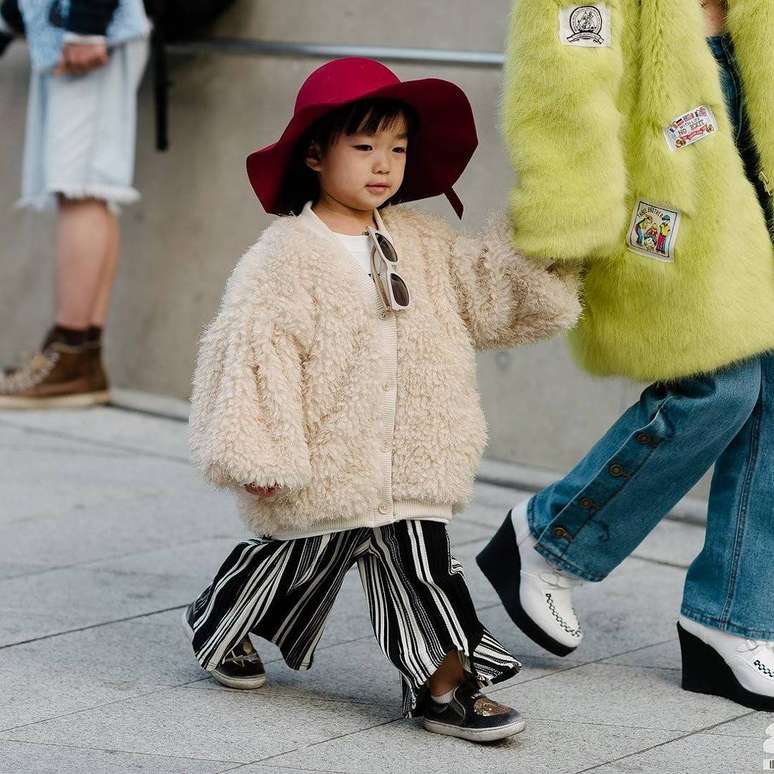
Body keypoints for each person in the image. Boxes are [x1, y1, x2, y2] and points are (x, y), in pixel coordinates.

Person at [181, 57, 581, 742]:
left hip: (415, 456)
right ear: (315, 153)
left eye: (397, 148)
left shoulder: (421, 240)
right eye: (363, 146)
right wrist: (260, 450)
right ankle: (221, 622)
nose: (383, 164)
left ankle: (444, 683)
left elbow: (486, 295)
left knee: (421, 567)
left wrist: (549, 241)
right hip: (325, 462)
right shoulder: (284, 257)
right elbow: (250, 355)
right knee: (292, 561)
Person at [478, 0, 774, 711]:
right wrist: (566, 218)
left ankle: (734, 619)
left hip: (757, 190)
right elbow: (562, 87)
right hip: (663, 206)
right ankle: (550, 538)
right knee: (718, 388)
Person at [0, 0, 150, 408]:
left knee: (80, 186)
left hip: (85, 30)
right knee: (88, 188)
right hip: (65, 30)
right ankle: (80, 359)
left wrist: (86, 23)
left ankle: (70, 354)